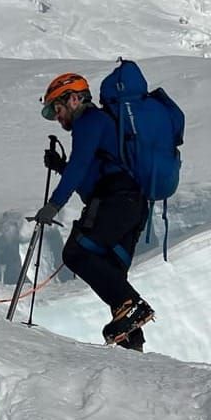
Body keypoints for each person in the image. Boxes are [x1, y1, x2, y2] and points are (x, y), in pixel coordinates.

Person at [34, 72, 155, 350]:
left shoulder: (89, 121)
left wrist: (54, 205)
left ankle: (134, 308)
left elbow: (80, 168)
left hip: (115, 201)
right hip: (132, 205)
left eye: (57, 109)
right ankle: (132, 342)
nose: (57, 117)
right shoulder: (101, 124)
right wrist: (61, 167)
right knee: (111, 271)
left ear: (74, 99)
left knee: (76, 252)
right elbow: (89, 175)